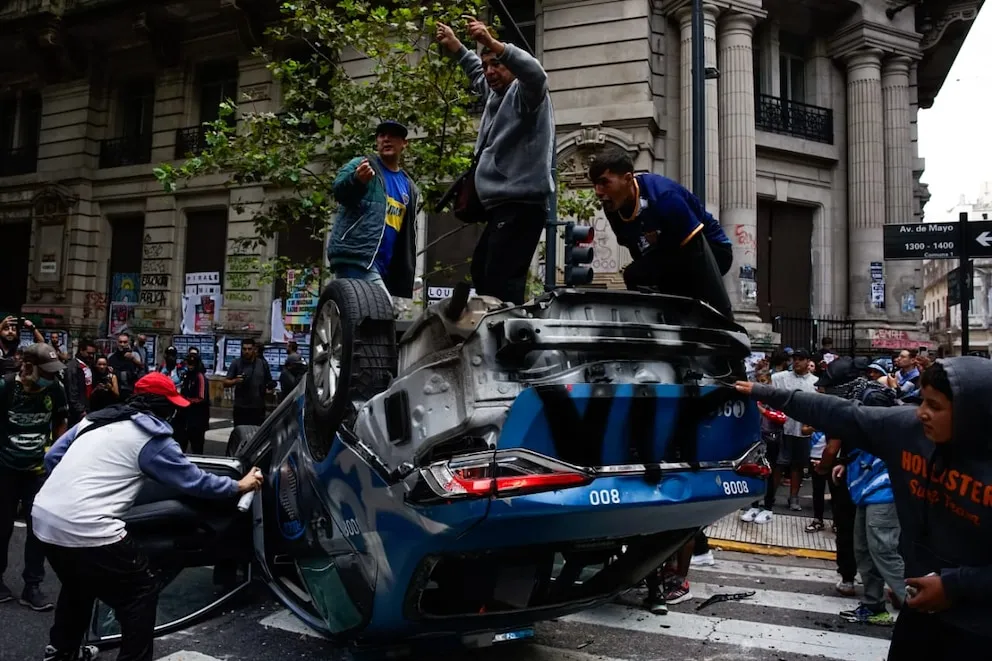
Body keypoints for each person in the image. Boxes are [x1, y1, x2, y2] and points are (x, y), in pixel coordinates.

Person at [735, 357, 992, 658]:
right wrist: (767, 393)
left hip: (980, 626)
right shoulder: (909, 429)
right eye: (922, 402)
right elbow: (841, 414)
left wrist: (953, 586)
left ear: (972, 413)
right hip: (921, 612)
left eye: (935, 407)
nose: (921, 413)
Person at [32, 372, 264, 661]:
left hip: (43, 518)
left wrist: (75, 489)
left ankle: (61, 652)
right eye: (172, 406)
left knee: (78, 585)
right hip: (88, 528)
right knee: (139, 593)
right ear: (163, 407)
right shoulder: (152, 436)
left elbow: (52, 457)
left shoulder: (94, 420)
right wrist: (239, 485)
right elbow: (194, 482)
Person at [436, 18, 553, 305]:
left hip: (522, 205)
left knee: (500, 278)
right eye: (487, 64)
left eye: (496, 64)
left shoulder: (527, 95)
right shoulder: (496, 93)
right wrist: (458, 47)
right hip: (503, 207)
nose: (489, 72)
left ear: (511, 65)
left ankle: (505, 339)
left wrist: (492, 43)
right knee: (482, 271)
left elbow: (536, 75)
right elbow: (477, 73)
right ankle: (496, 331)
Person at [586, 149, 733, 317]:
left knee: (682, 281)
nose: (598, 191)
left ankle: (719, 321)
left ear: (627, 179)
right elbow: (640, 254)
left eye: (604, 183)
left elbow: (697, 251)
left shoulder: (663, 196)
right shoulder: (613, 208)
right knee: (634, 274)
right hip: (668, 251)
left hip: (711, 248)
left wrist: (723, 310)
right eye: (595, 185)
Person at [0, 343, 68, 612]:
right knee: (2, 527)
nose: (50, 376)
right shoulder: (5, 387)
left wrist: (57, 455)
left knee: (37, 528)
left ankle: (32, 585)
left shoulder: (55, 388)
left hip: (38, 471)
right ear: (29, 367)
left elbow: (61, 421)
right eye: (46, 371)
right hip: (5, 469)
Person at [328, 120, 419, 301]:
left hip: (384, 266)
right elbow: (338, 191)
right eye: (382, 135)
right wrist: (356, 180)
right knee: (382, 310)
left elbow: (405, 235)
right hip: (356, 256)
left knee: (365, 321)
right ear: (376, 141)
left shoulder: (409, 186)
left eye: (393, 136)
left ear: (404, 144)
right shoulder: (362, 164)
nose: (386, 139)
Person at [770, 349, 817, 512]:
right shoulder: (780, 378)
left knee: (797, 466)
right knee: (778, 464)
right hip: (782, 428)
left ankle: (794, 497)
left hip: (803, 431)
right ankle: (770, 495)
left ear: (807, 361)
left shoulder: (814, 382)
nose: (796, 362)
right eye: (795, 359)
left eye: (801, 359)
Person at [222, 338, 275, 427]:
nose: (247, 351)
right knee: (240, 435)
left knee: (256, 436)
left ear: (254, 349)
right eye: (244, 349)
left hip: (258, 407)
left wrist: (269, 389)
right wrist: (235, 381)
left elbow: (269, 381)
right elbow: (225, 383)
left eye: (249, 349)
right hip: (241, 407)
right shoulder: (236, 363)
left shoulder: (262, 364)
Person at [178, 347, 210, 455]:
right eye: (188, 363)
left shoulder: (200, 377)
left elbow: (201, 398)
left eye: (192, 363)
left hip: (197, 419)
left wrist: (185, 400)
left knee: (197, 448)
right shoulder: (187, 376)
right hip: (185, 418)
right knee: (181, 445)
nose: (190, 366)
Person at [108, 333, 142, 401]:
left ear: (128, 342)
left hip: (131, 390)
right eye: (120, 342)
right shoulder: (111, 357)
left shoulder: (134, 355)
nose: (122, 344)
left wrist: (133, 359)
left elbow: (141, 368)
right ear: (117, 343)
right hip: (117, 390)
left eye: (125, 342)